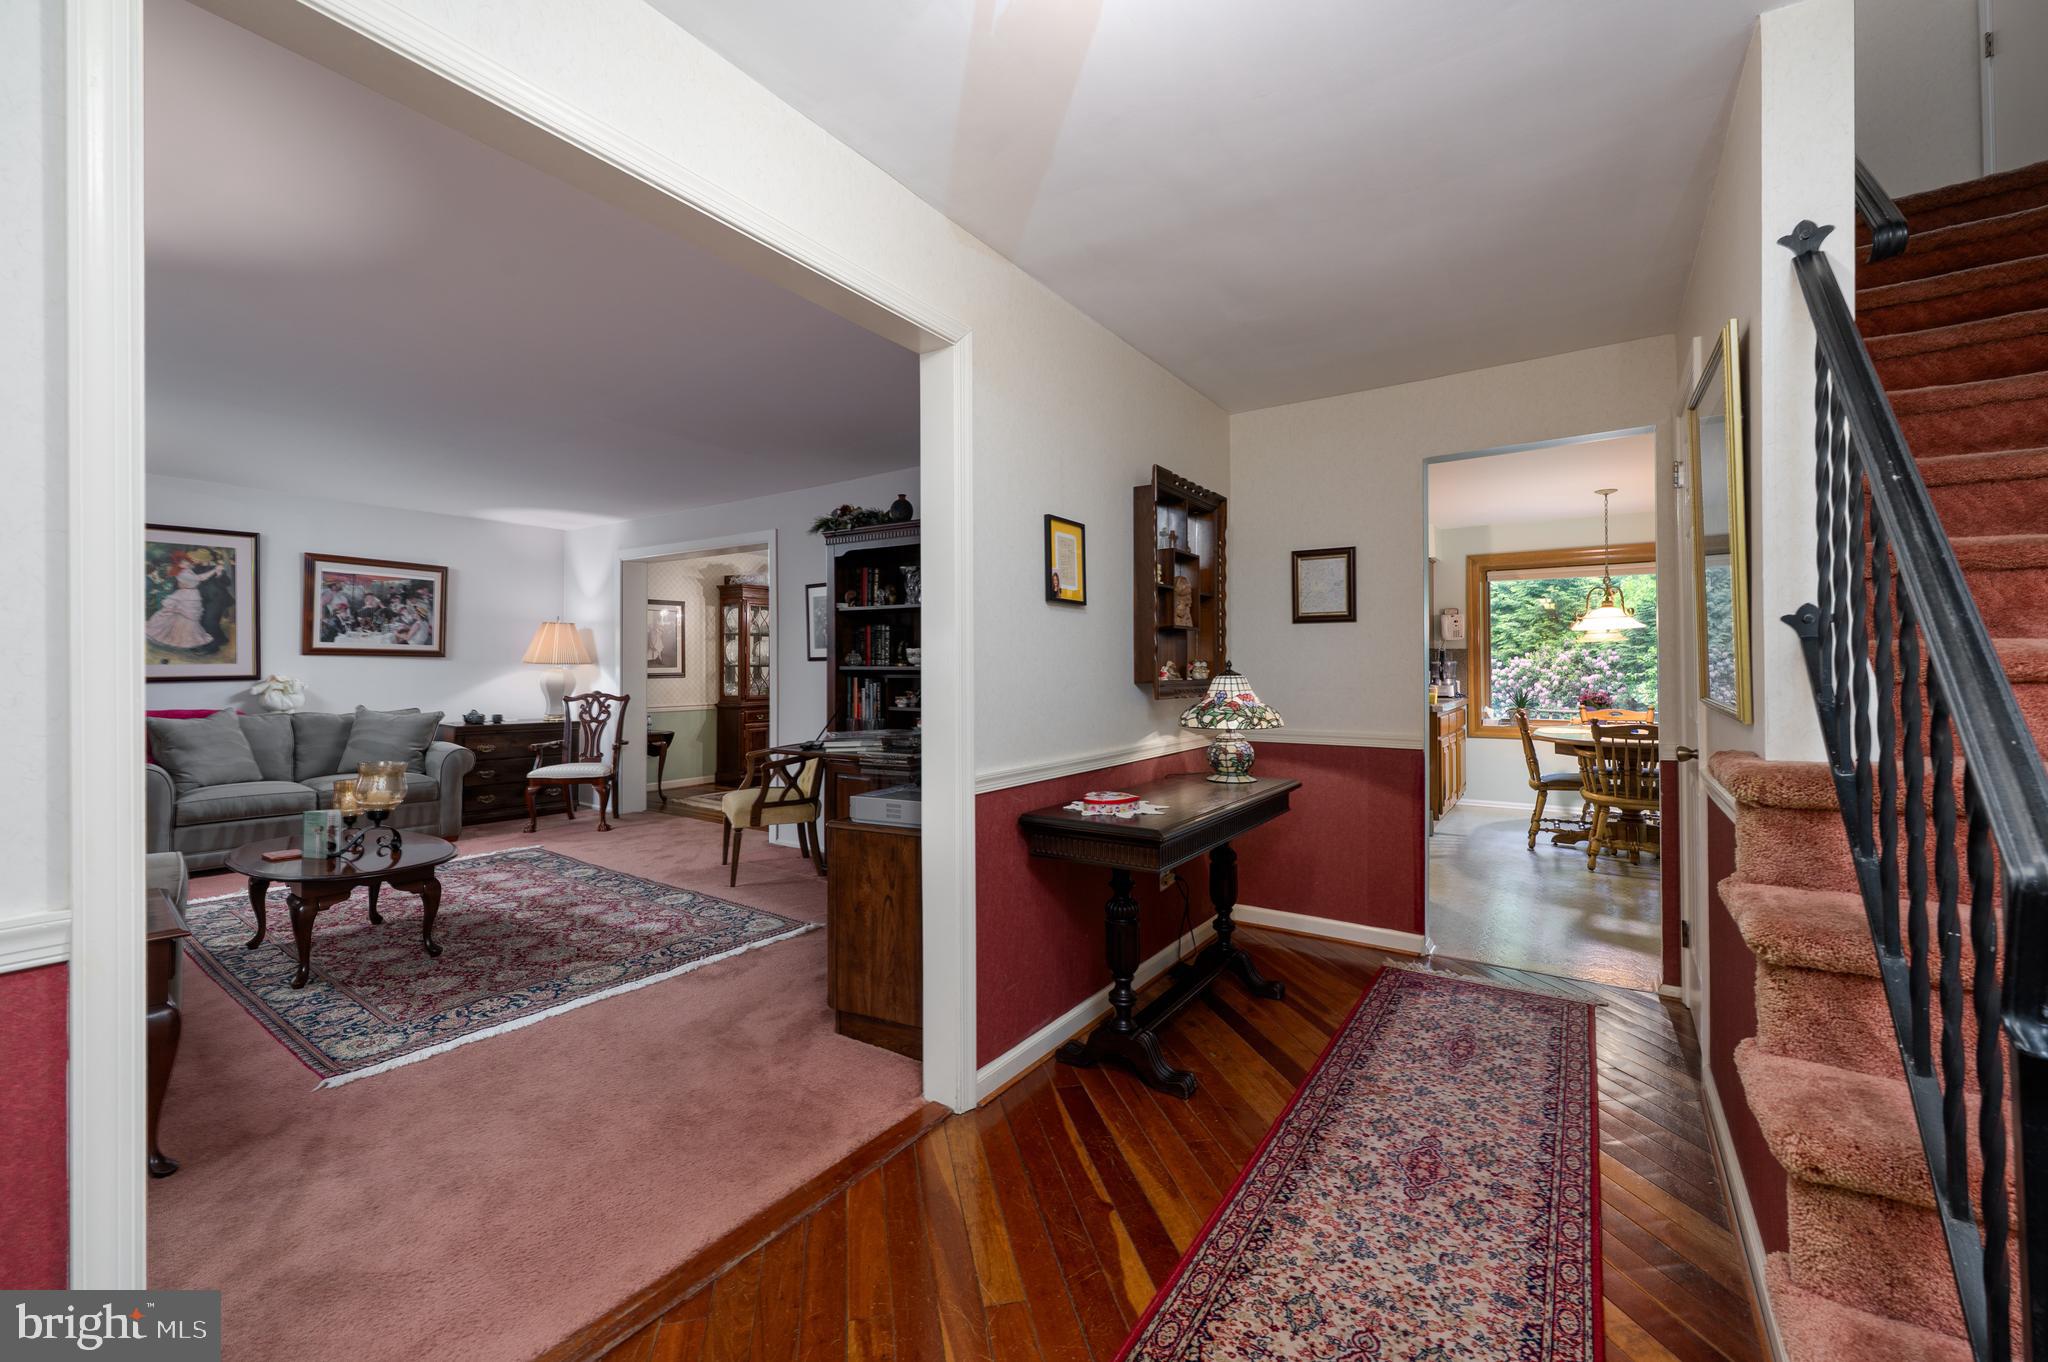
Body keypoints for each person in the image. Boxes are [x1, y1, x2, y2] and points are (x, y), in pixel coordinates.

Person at [143, 552, 226, 652]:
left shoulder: (186, 569)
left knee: (187, 619)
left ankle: (191, 641)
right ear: (177, 563)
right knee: (183, 618)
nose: (185, 563)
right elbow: (200, 578)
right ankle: (184, 640)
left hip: (191, 594)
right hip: (186, 596)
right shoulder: (182, 572)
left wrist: (214, 567)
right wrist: (214, 570)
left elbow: (197, 573)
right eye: (181, 562)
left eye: (185, 561)